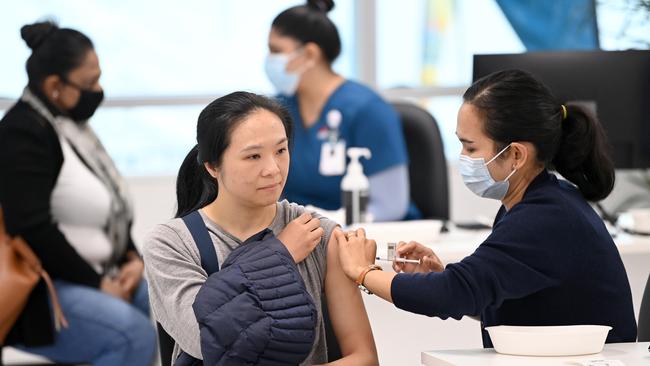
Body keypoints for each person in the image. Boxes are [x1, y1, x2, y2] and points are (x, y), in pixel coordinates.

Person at [335, 69, 638, 347]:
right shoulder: (531, 204)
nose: (464, 158)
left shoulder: (545, 217)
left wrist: (363, 272)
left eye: (470, 148)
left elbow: (450, 296)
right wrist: (442, 275)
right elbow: (497, 297)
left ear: (516, 155)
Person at [143, 91, 378, 365]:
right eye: (253, 157)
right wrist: (279, 254)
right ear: (212, 166)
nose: (273, 170)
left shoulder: (318, 234)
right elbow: (207, 340)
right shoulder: (171, 243)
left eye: (281, 150)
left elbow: (364, 359)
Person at [0, 21, 156, 365]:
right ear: (54, 85)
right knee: (133, 335)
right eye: (90, 83)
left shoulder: (71, 127)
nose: (99, 90)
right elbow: (32, 227)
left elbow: (109, 205)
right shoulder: (23, 133)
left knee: (169, 307)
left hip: (99, 272)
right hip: (43, 290)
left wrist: (130, 258)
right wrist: (99, 284)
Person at [265, 0, 417, 221]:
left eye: (276, 51)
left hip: (365, 237)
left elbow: (390, 205)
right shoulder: (279, 108)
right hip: (296, 237)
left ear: (309, 54)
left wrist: (327, 229)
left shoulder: (367, 109)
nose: (269, 60)